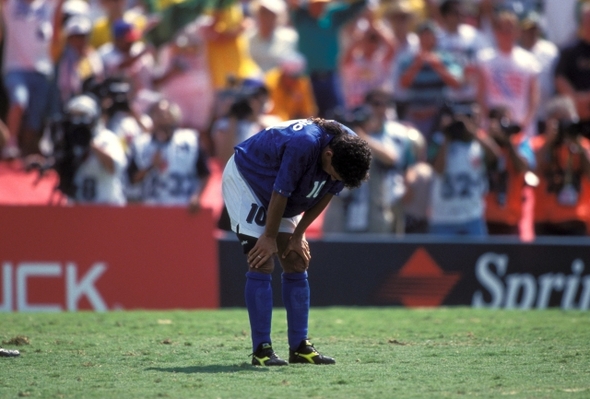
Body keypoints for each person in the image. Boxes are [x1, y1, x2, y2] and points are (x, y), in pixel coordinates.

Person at [221, 117, 371, 365]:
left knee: (295, 260)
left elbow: (327, 193)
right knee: (262, 261)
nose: (335, 179)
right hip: (248, 180)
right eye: (334, 173)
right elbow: (280, 191)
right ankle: (262, 350)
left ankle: (300, 347)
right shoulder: (305, 144)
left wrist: (299, 234)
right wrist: (268, 237)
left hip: (280, 190)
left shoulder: (348, 150)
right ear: (329, 154)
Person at [0, 0, 61, 158]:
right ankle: (10, 143)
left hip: (42, 69)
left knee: (35, 116)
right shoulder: (11, 5)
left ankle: (27, 152)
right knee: (19, 101)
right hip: (15, 68)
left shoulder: (47, 6)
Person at [428, 104, 501, 236]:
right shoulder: (439, 141)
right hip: (443, 218)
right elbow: (438, 170)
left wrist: (472, 131)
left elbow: (495, 155)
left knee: (476, 255)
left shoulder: (478, 144)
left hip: (472, 216)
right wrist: (447, 135)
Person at [288, 0, 367, 117]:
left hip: (330, 78)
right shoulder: (301, 17)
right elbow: (292, 4)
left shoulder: (333, 16)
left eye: (321, 3)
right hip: (307, 80)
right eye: (315, 3)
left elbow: (357, 6)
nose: (318, 6)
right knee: (308, 118)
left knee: (337, 117)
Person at [128, 99, 211, 211]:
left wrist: (197, 197)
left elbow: (204, 173)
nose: (163, 118)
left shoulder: (190, 141)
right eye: (158, 114)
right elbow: (132, 179)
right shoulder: (141, 144)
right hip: (150, 209)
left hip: (182, 207)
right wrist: (150, 166)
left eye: (166, 114)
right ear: (151, 117)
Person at [53, 94, 128, 205]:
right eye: (73, 116)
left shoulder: (106, 138)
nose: (77, 121)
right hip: (79, 208)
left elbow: (116, 168)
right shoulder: (67, 141)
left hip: (106, 207)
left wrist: (91, 144)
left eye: (82, 116)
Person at [475, 9, 540, 137]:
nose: (506, 34)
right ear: (496, 32)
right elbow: (480, 95)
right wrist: (489, 121)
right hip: (492, 127)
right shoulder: (484, 59)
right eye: (502, 30)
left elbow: (534, 96)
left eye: (510, 30)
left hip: (520, 127)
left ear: (517, 32)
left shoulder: (529, 60)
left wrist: (524, 122)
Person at [531, 96, 590, 236]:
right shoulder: (538, 144)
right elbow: (532, 173)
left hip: (576, 219)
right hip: (544, 220)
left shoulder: (584, 145)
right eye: (560, 121)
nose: (565, 125)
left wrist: (578, 146)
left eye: (568, 120)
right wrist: (549, 143)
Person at [398, 20, 463, 140]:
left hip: (437, 117)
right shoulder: (409, 59)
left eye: (430, 35)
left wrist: (438, 66)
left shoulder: (446, 58)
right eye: (424, 35)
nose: (427, 38)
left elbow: (456, 83)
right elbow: (403, 84)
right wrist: (417, 64)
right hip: (415, 116)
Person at [484, 106, 535, 236]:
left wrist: (509, 143)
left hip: (510, 217)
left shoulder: (520, 141)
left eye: (506, 121)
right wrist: (490, 139)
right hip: (483, 217)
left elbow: (523, 167)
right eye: (499, 121)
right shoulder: (483, 140)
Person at [555, 2, 590, 123]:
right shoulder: (570, 50)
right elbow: (560, 78)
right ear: (582, 22)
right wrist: (576, 99)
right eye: (588, 20)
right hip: (576, 114)